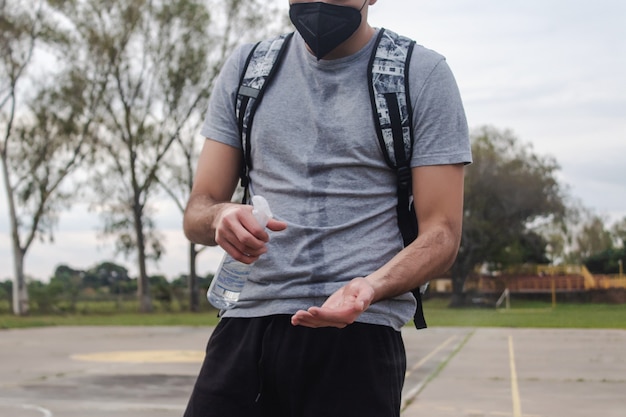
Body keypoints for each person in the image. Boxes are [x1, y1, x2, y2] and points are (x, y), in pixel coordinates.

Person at [182, 1, 472, 416]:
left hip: (358, 333)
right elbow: (198, 210)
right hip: (246, 323)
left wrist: (371, 286)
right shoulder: (248, 68)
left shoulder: (419, 74)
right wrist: (220, 217)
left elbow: (442, 232)